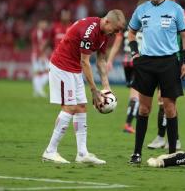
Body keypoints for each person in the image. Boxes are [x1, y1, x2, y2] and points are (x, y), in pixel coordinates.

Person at [42, 9, 126, 164]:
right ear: (107, 21)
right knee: (70, 107)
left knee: (81, 107)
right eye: (115, 29)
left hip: (74, 69)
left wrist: (106, 88)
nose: (115, 33)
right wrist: (94, 90)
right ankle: (50, 151)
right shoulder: (90, 32)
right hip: (62, 67)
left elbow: (101, 60)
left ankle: (82, 153)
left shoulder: (105, 34)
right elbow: (85, 61)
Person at [127, 0, 185, 164]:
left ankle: (172, 154)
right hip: (146, 63)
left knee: (170, 108)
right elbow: (131, 32)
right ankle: (137, 153)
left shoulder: (175, 9)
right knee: (144, 109)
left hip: (169, 63)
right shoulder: (141, 10)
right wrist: (134, 54)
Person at [148, 0, 185, 151]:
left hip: (176, 62)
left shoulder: (182, 14)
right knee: (161, 100)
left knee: (167, 100)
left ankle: (172, 139)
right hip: (159, 61)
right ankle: (163, 137)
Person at [107, 29, 143, 134]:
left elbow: (117, 44)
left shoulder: (126, 26)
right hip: (138, 61)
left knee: (135, 93)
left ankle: (136, 117)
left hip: (127, 61)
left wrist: (110, 60)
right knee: (136, 94)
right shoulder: (147, 23)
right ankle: (128, 124)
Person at [31, 19, 50, 98]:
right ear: (40, 24)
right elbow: (39, 45)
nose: (46, 25)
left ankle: (36, 91)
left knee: (39, 73)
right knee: (47, 72)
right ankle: (39, 89)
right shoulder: (38, 33)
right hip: (38, 55)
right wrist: (41, 54)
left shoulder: (40, 32)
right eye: (44, 23)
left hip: (38, 54)